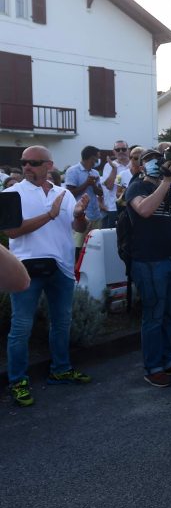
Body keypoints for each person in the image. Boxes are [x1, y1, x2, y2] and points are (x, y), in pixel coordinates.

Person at [5, 146, 91, 407]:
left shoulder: (63, 194)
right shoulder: (11, 193)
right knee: (21, 327)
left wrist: (79, 216)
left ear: (49, 165)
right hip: (25, 269)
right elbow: (12, 232)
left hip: (61, 267)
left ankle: (60, 370)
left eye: (34, 162)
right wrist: (49, 215)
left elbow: (78, 228)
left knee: (62, 322)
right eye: (24, 162)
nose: (27, 167)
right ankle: (18, 381)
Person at [126, 149, 171, 387]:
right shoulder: (138, 187)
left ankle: (166, 361)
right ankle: (153, 366)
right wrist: (166, 181)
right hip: (148, 261)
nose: (160, 165)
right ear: (143, 166)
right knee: (154, 315)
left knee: (169, 314)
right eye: (153, 161)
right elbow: (144, 210)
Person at [63, 144, 104, 252]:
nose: (99, 160)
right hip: (81, 217)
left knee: (95, 249)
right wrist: (86, 183)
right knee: (79, 248)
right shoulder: (73, 171)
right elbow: (70, 193)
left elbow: (100, 193)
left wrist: (93, 185)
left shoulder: (94, 172)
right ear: (92, 157)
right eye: (98, 157)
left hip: (96, 215)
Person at [100, 140, 132, 228]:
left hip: (133, 206)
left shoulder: (133, 164)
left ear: (128, 150)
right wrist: (114, 168)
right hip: (114, 208)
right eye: (118, 150)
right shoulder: (109, 165)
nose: (121, 151)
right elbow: (109, 186)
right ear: (114, 152)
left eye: (123, 149)